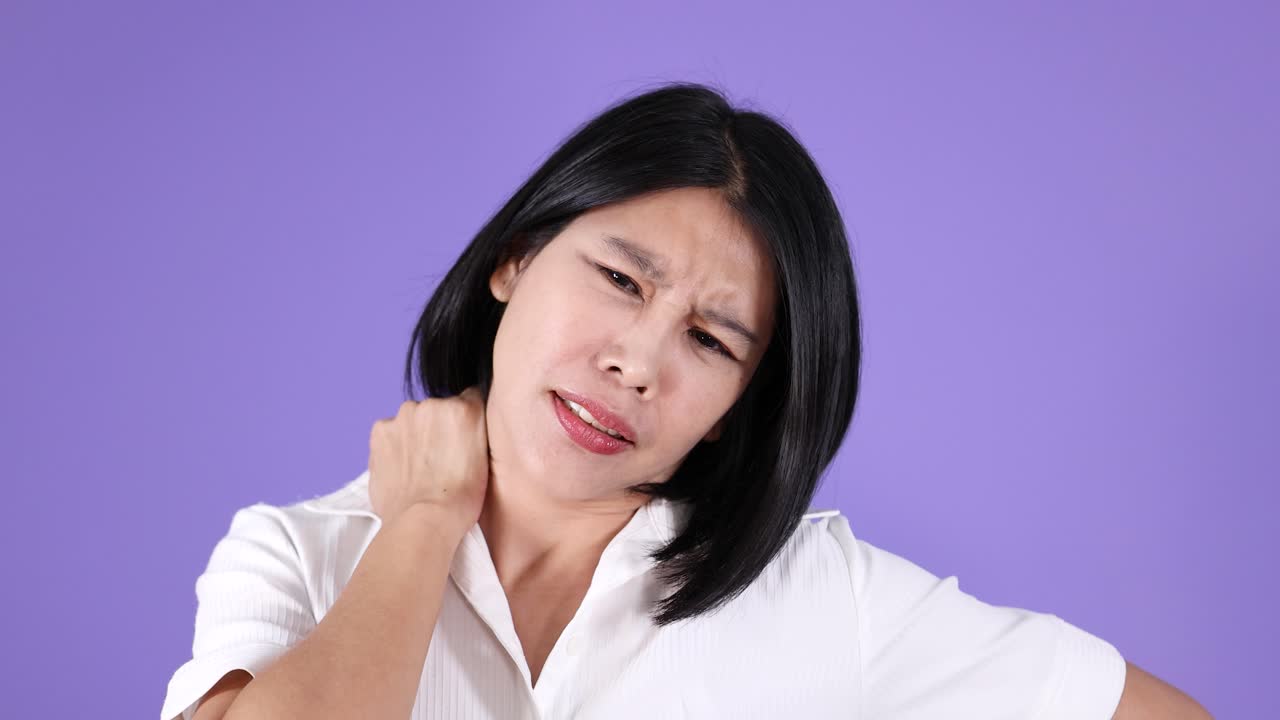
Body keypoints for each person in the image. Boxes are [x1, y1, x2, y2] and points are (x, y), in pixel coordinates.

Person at [160, 82, 1207, 719]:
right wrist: (425, 523)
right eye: (621, 280)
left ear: (741, 399)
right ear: (516, 257)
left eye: (709, 340)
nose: (638, 362)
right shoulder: (299, 554)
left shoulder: (819, 598)